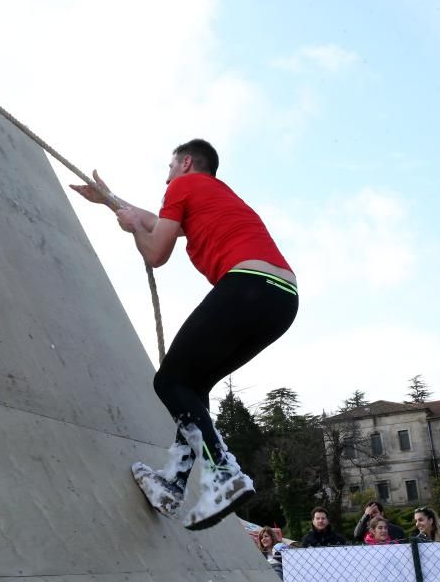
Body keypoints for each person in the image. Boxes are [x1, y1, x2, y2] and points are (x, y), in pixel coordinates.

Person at [71, 139, 298, 530]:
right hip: (281, 299)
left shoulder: (181, 187)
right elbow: (154, 221)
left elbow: (156, 251)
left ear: (186, 162)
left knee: (170, 380)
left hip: (250, 285)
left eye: (170, 166)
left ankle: (223, 471)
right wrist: (110, 200)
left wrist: (129, 230)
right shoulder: (211, 194)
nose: (166, 176)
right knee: (193, 387)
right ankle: (173, 482)